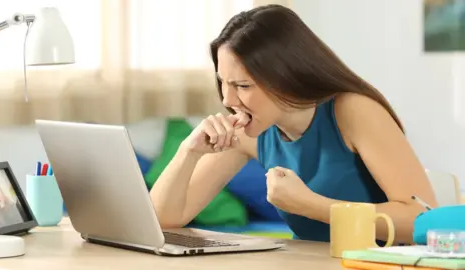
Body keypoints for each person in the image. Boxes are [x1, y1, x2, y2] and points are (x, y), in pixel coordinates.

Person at [149, 4, 437, 244]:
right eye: (223, 83)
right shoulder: (250, 134)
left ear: (285, 78)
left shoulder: (354, 111)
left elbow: (422, 220)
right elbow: (162, 220)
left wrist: (311, 205)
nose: (227, 98)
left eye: (243, 85)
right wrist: (189, 151)